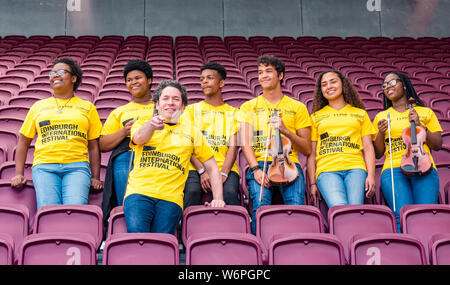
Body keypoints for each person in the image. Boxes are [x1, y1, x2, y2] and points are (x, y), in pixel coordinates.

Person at [124, 80, 226, 234]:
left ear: (183, 106)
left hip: (171, 198)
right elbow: (138, 138)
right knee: (137, 237)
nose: (170, 103)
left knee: (163, 242)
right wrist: (151, 125)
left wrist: (218, 198)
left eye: (176, 99)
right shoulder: (142, 124)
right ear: (157, 104)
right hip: (139, 193)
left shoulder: (192, 132)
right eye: (165, 99)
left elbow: (212, 166)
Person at [11, 57, 103, 209]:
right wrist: (18, 173)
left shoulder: (87, 107)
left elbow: (93, 146)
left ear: (74, 78)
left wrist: (95, 177)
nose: (55, 75)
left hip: (77, 166)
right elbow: (23, 142)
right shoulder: (38, 106)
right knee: (49, 211)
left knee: (76, 209)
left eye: (61, 72)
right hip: (44, 166)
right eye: (52, 73)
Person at [238, 55, 312, 234]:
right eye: (260, 72)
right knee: (260, 206)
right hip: (260, 163)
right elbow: (246, 143)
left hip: (289, 164)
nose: (263, 76)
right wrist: (255, 169)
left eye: (268, 71)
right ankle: (261, 251)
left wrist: (285, 130)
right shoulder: (248, 107)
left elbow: (307, 147)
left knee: (296, 208)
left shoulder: (298, 107)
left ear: (280, 75)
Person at [373, 71, 442, 231]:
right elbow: (377, 154)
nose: (387, 87)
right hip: (393, 169)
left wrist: (420, 124)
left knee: (425, 215)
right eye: (384, 85)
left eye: (392, 82)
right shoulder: (381, 117)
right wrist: (381, 133)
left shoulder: (425, 112)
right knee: (401, 215)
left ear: (404, 85)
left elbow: (437, 144)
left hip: (424, 167)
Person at [306, 70, 376, 209]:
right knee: (339, 208)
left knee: (356, 208)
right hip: (327, 170)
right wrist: (313, 183)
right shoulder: (315, 116)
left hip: (355, 168)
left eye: (333, 82)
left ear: (343, 85)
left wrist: (371, 176)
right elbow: (312, 153)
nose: (329, 86)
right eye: (324, 84)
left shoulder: (360, 113)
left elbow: (368, 148)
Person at [99, 59, 154, 224]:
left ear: (149, 80)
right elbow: (102, 145)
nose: (133, 83)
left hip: (156, 153)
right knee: (125, 192)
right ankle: (124, 226)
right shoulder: (120, 112)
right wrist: (124, 132)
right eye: (129, 80)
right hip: (127, 153)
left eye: (138, 78)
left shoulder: (163, 106)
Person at [183, 62, 240, 209]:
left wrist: (224, 174)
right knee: (192, 191)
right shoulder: (190, 110)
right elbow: (187, 145)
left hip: (225, 167)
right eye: (202, 79)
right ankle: (184, 229)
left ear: (221, 83)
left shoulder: (235, 112)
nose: (204, 82)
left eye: (209, 78)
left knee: (230, 193)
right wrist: (202, 171)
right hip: (195, 167)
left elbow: (233, 148)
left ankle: (235, 230)